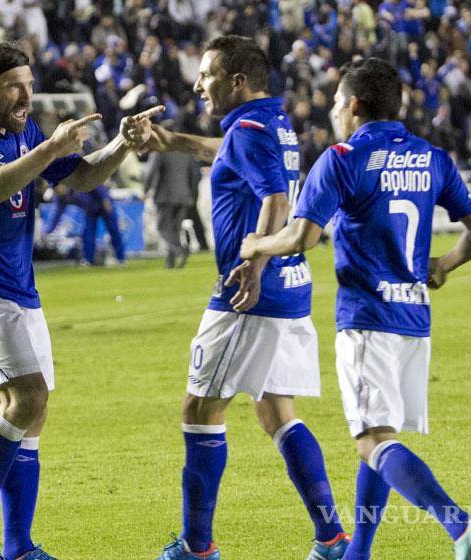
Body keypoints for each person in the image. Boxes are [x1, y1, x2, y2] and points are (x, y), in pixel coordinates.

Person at [239, 57, 471, 560]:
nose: (334, 111)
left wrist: (256, 246)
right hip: (414, 320)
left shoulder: (341, 157)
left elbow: (303, 237)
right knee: (378, 436)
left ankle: (459, 525)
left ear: (353, 106)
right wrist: (441, 264)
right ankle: (359, 552)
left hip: (367, 319)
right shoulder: (431, 156)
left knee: (372, 442)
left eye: (336, 102)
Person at [0, 42, 162, 560]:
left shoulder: (23, 132)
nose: (26, 95)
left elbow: (80, 176)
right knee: (24, 399)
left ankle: (19, 547)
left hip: (19, 287)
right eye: (15, 86)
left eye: (29, 85)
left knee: (34, 412)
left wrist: (122, 144)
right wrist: (50, 148)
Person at [142, 35, 350, 560]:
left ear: (237, 81)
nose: (198, 84)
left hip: (247, 294)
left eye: (207, 75)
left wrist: (252, 264)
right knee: (276, 409)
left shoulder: (252, 127)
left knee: (200, 407)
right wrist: (172, 141)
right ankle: (331, 537)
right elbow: (232, 155)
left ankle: (196, 545)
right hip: (290, 289)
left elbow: (276, 198)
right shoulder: (268, 122)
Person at [144, 121, 202, 268]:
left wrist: (145, 190)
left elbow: (150, 172)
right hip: (184, 197)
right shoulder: (186, 151)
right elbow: (195, 176)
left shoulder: (161, 150)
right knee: (175, 229)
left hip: (165, 196)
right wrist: (192, 195)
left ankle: (179, 249)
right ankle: (170, 262)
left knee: (162, 228)